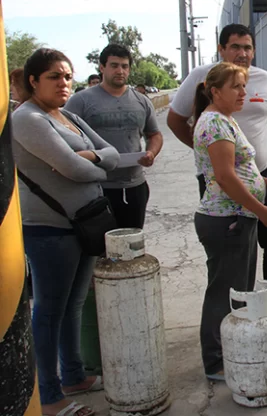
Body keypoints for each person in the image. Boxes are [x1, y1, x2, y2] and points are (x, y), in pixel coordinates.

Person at [12, 48, 120, 416]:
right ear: (33, 81)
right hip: (50, 229)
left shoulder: (67, 115)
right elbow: (71, 168)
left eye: (68, 76)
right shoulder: (28, 119)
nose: (63, 83)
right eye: (55, 77)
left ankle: (74, 376)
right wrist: (94, 162)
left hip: (84, 224)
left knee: (73, 305)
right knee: (49, 310)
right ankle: (50, 395)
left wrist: (90, 159)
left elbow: (113, 152)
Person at [167, 24, 267, 321]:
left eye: (248, 47)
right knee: (234, 247)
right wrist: (210, 154)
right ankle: (232, 310)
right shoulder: (202, 77)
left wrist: (251, 157)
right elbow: (175, 120)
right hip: (220, 181)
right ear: (221, 49)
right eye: (236, 46)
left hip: (264, 172)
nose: (243, 53)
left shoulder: (263, 79)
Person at [192, 61, 267, 380]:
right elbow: (226, 177)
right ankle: (215, 360)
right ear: (215, 91)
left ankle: (232, 350)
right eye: (236, 87)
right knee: (224, 292)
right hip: (225, 219)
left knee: (238, 290)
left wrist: (261, 181)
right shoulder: (215, 122)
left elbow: (239, 168)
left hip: (236, 218)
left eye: (245, 86)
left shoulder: (224, 119)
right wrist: (261, 209)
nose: (244, 92)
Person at [65, 43, 163, 230]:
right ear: (102, 68)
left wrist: (151, 153)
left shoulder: (141, 101)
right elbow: (65, 137)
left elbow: (154, 134)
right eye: (114, 65)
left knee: (132, 243)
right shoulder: (80, 101)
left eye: (125, 66)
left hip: (135, 186)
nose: (120, 71)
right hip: (97, 188)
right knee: (100, 248)